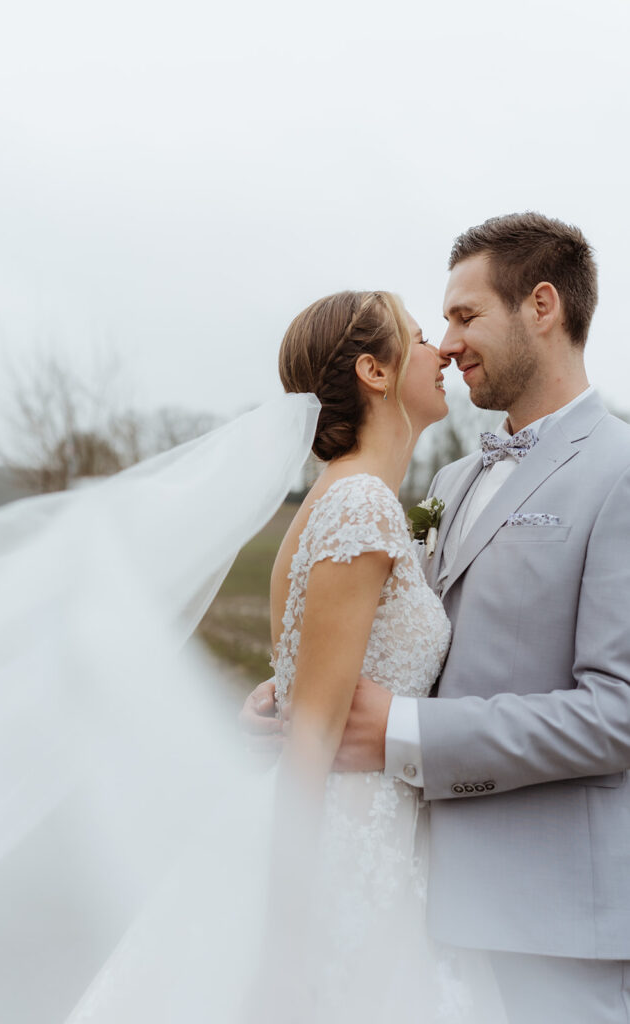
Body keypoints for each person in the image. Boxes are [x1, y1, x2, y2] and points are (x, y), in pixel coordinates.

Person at [242, 212, 630, 1024]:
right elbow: (384, 626)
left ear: (542, 307)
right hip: (412, 895)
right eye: (438, 324)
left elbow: (616, 713)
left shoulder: (619, 471)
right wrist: (296, 687)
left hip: (550, 926)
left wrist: (402, 733)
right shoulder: (446, 484)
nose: (447, 344)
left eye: (463, 315)